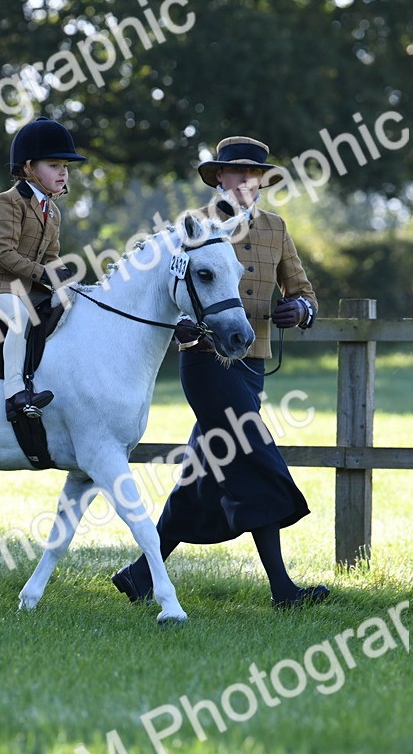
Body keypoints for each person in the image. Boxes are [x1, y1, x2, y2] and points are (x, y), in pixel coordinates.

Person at [111, 135, 329, 609]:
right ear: (220, 178)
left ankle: (140, 576)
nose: (246, 181)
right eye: (237, 173)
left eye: (255, 174)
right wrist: (184, 326)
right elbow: (169, 296)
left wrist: (300, 310)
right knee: (253, 457)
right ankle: (283, 590)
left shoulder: (276, 228)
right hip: (207, 364)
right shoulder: (193, 229)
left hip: (252, 367)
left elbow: (305, 291)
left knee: (202, 475)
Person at [0, 117, 83, 422]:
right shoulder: (7, 201)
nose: (63, 172)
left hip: (24, 286)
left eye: (65, 166)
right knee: (20, 319)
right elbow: (4, 253)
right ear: (29, 167)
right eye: (54, 165)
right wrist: (45, 275)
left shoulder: (52, 211)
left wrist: (66, 280)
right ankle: (15, 394)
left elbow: (51, 257)